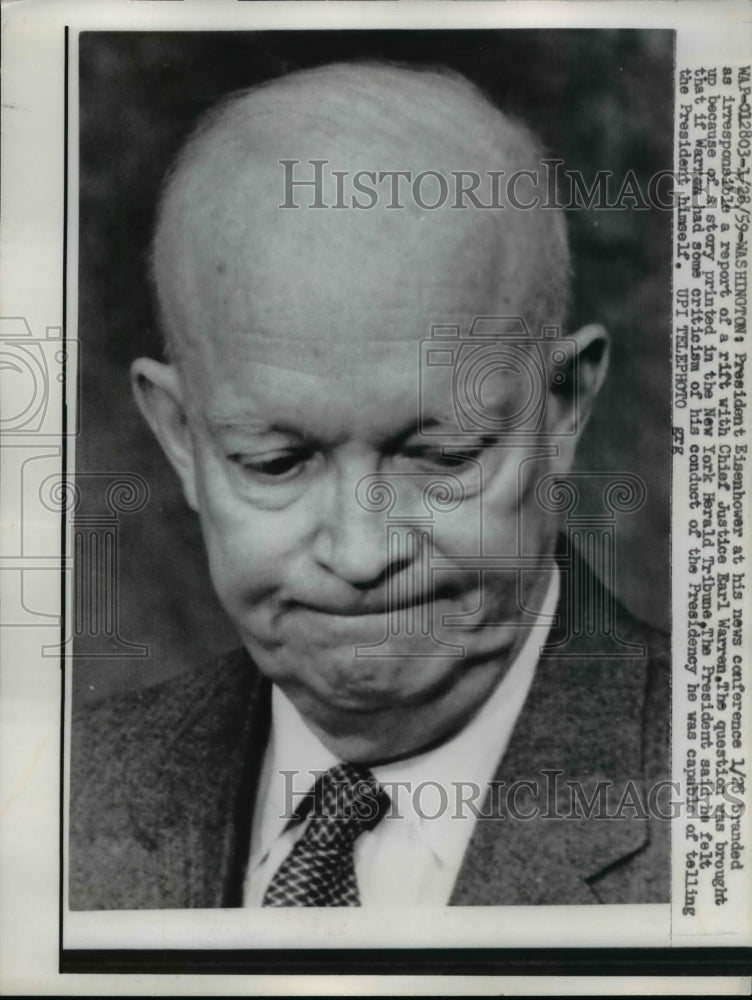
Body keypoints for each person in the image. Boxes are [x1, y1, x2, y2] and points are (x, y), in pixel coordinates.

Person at [69, 61, 670, 909]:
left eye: (444, 455)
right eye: (275, 462)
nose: (359, 555)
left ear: (562, 408)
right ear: (181, 438)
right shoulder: (54, 800)